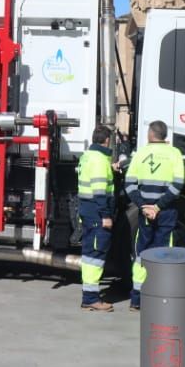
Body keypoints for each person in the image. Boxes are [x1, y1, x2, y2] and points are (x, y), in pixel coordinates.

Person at [126, 120, 185, 311]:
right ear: (164, 135)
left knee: (141, 254)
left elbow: (129, 185)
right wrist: (158, 207)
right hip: (166, 212)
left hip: (145, 213)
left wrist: (144, 206)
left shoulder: (140, 153)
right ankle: (157, 299)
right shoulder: (174, 153)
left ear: (151, 135)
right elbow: (178, 185)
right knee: (163, 254)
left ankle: (136, 299)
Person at [76, 126, 117, 312]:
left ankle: (89, 295)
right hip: (97, 212)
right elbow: (100, 192)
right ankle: (91, 298)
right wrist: (106, 216)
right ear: (107, 140)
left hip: (87, 210)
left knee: (88, 254)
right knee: (95, 255)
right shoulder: (100, 161)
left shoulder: (88, 156)